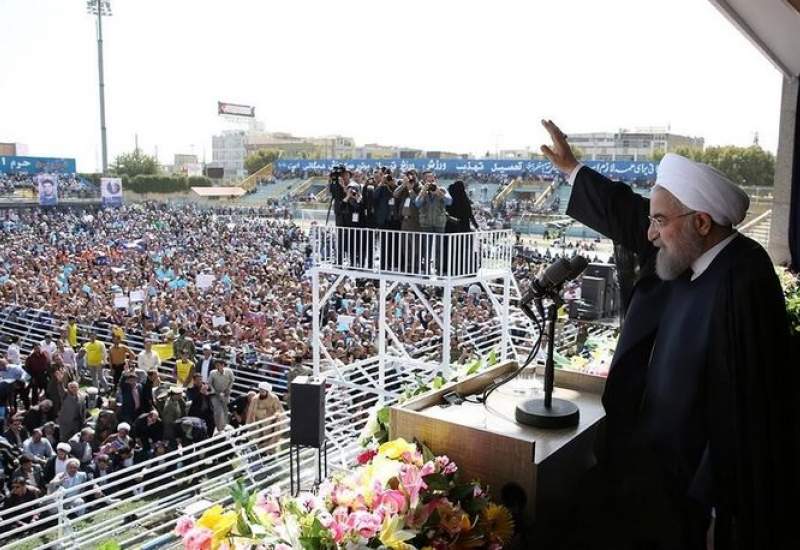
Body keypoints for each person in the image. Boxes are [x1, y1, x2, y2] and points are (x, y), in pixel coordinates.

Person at [539, 119, 797, 550]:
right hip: (646, 470)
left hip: (691, 499)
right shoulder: (689, 249)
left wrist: (718, 508)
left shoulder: (744, 282)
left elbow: (747, 409)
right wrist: (572, 169)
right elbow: (630, 213)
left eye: (659, 220)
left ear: (701, 222)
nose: (649, 232)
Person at [244, 381, 285, 452]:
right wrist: (248, 424)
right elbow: (250, 412)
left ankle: (270, 450)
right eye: (260, 390)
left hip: (271, 421)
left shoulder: (274, 398)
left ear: (267, 391)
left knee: (272, 436)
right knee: (260, 437)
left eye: (263, 391)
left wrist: (277, 414)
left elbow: (278, 409)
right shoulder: (255, 399)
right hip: (259, 422)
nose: (261, 392)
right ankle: (261, 451)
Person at [208, 359, 234, 432]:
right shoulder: (212, 373)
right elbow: (209, 383)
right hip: (215, 395)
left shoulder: (229, 371)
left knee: (226, 410)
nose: (217, 366)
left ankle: (226, 427)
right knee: (218, 411)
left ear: (223, 365)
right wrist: (215, 391)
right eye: (216, 365)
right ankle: (218, 428)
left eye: (218, 365)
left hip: (226, 394)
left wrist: (228, 389)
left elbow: (232, 380)